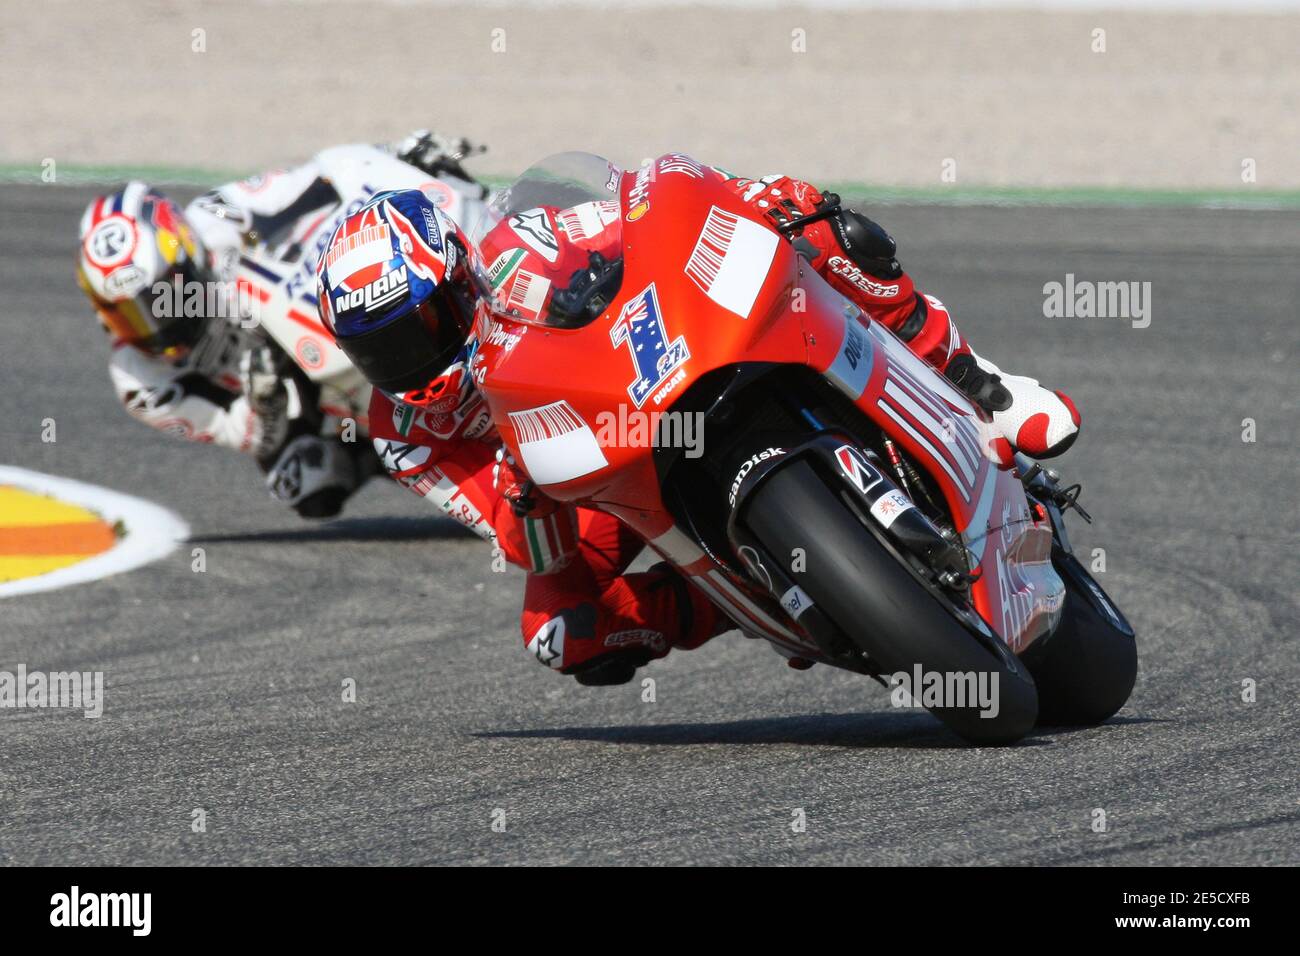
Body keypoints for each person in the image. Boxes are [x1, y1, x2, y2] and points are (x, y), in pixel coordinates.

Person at [315, 160, 1080, 683]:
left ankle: (979, 383)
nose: (409, 363)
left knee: (812, 220)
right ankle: (742, 600)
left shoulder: (514, 255)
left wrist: (745, 198)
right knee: (558, 633)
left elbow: (625, 217)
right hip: (575, 476)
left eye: (421, 326)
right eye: (381, 352)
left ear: (460, 278)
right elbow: (528, 549)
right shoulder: (403, 433)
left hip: (643, 362)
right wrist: (521, 484)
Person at [75, 131, 489, 517]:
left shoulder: (220, 215)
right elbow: (242, 433)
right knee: (306, 483)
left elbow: (329, 172)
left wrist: (397, 158)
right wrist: (267, 406)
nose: (156, 321)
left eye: (161, 293)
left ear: (188, 252)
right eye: (127, 313)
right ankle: (400, 457)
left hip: (315, 301)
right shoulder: (140, 383)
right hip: (295, 394)